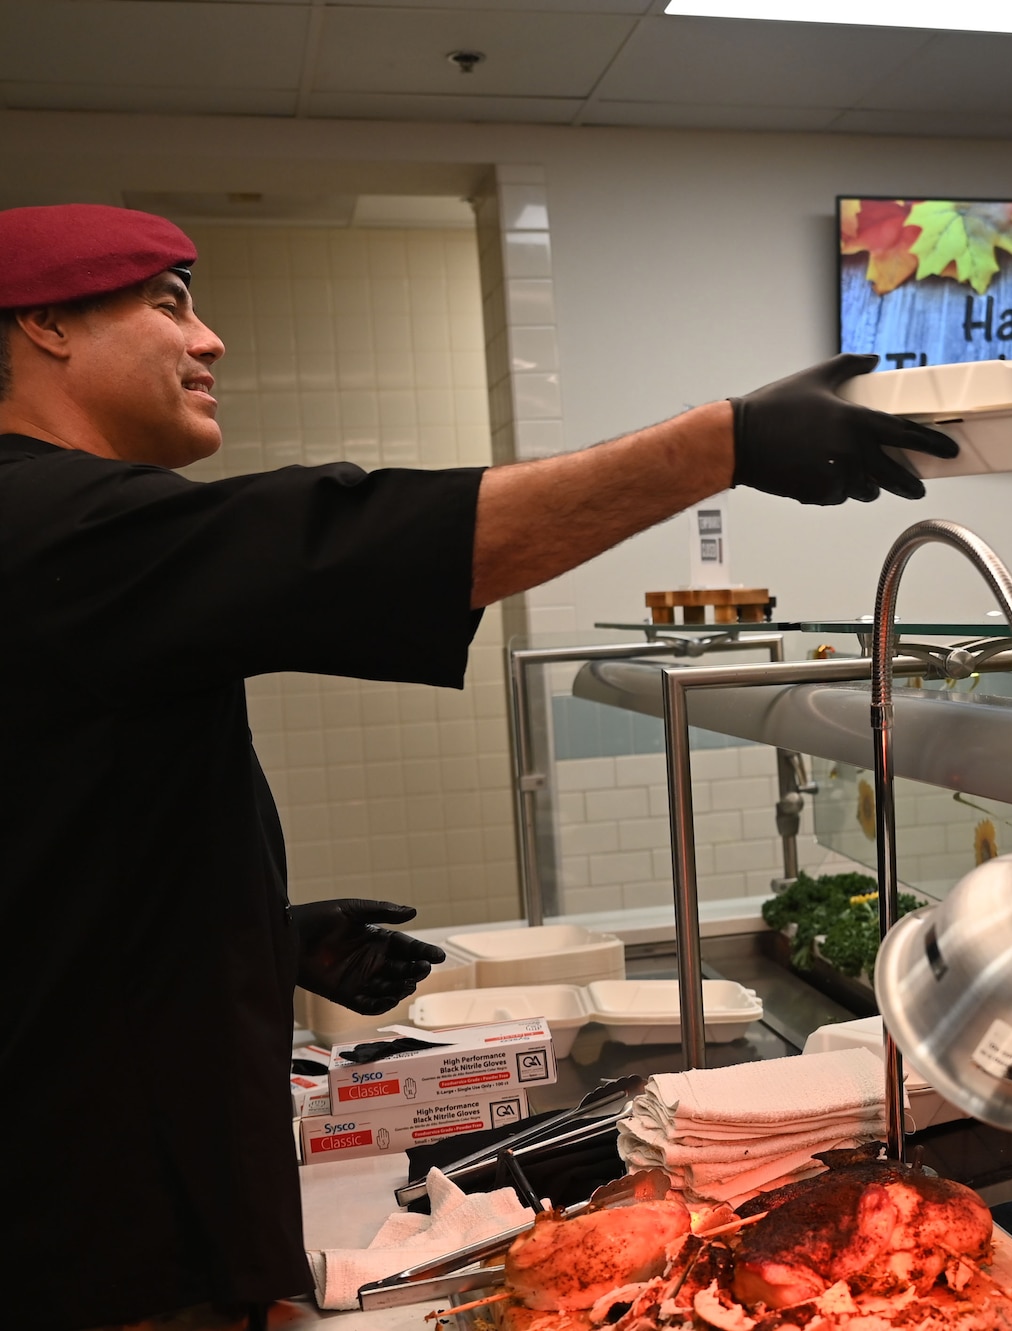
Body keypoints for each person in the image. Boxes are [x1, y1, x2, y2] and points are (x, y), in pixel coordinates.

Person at [0, 203, 955, 1331]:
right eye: (169, 303)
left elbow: (56, 845)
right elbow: (351, 545)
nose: (208, 340)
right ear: (47, 323)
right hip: (95, 1230)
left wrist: (265, 934)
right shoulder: (43, 519)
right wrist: (722, 443)